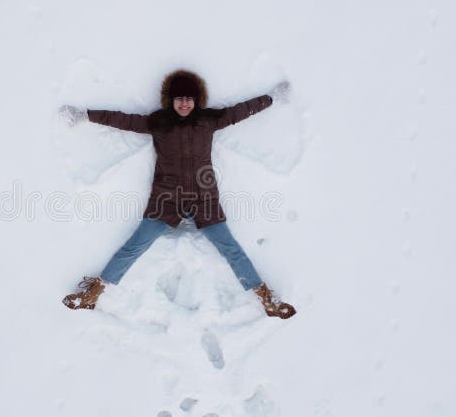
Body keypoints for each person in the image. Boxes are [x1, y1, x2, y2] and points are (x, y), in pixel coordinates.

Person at [59, 69, 296, 319]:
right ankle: (93, 295)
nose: (184, 103)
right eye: (179, 98)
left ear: (196, 101)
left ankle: (266, 299)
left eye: (189, 99)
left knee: (232, 250)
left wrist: (271, 98)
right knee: (133, 247)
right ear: (171, 101)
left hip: (204, 200)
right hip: (166, 201)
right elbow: (123, 120)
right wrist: (85, 115)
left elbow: (240, 111)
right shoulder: (159, 123)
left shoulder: (209, 121)